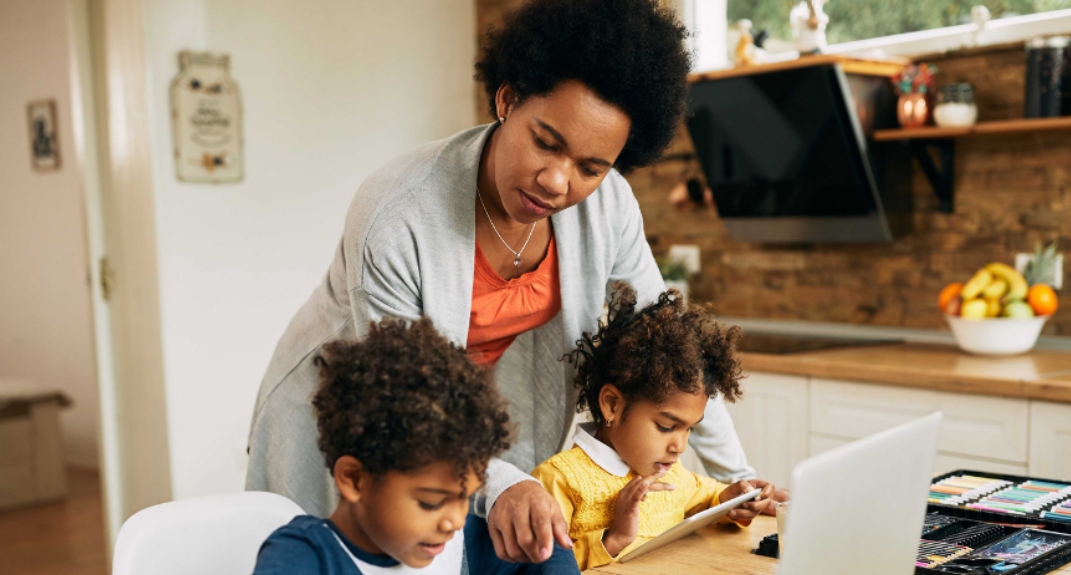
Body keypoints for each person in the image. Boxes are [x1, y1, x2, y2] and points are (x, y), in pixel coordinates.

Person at [246, 0, 767, 571]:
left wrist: (736, 479)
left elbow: (680, 357)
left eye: (591, 167)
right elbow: (404, 391)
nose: (557, 180)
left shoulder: (608, 207)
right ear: (507, 99)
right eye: (546, 141)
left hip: (470, 419)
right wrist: (501, 482)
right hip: (365, 408)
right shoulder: (398, 216)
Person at [531, 283, 775, 569]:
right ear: (612, 404)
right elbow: (541, 566)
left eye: (690, 429)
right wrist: (614, 538)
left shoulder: (672, 475)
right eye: (666, 427)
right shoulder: (557, 480)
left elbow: (708, 498)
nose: (680, 447)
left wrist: (733, 500)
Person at [252, 318, 519, 574]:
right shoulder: (302, 556)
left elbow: (548, 555)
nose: (456, 521)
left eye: (465, 497)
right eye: (430, 503)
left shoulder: (449, 538)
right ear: (355, 480)